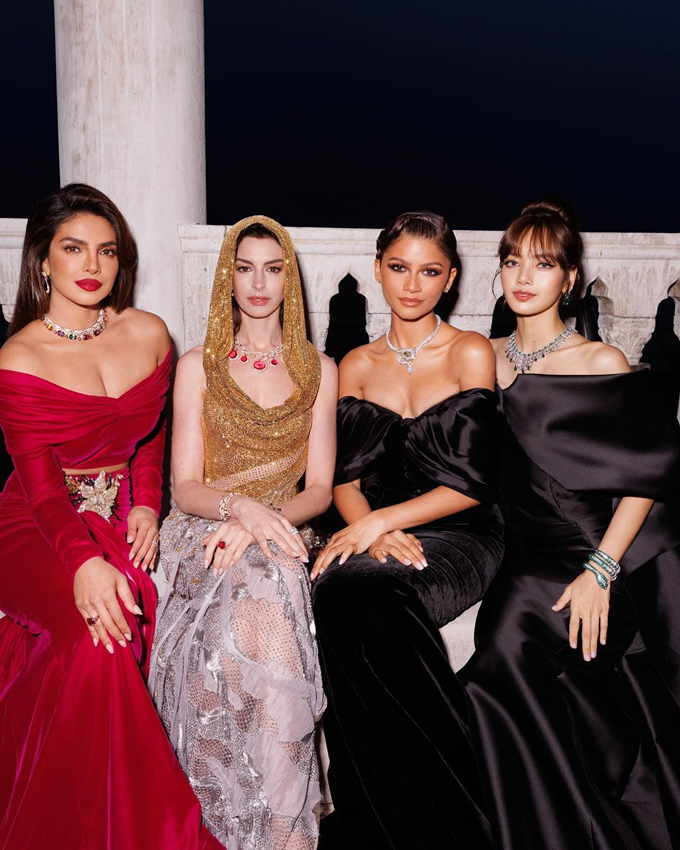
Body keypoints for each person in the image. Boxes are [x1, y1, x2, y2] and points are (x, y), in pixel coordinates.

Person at [0, 184, 222, 848]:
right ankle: (153, 830)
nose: (92, 265)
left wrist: (147, 501)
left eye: (106, 250)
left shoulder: (148, 332)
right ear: (43, 260)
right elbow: (42, 494)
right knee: (103, 635)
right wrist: (84, 565)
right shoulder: (19, 357)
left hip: (121, 511)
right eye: (73, 249)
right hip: (36, 526)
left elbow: (149, 433)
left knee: (108, 632)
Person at [461, 200, 680, 850]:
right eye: (512, 261)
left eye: (543, 263)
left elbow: (646, 478)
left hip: (594, 555)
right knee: (503, 654)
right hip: (518, 557)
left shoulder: (600, 362)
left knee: (504, 657)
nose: (524, 276)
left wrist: (601, 571)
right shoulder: (479, 358)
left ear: (570, 278)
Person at [311, 211, 504, 849]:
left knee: (368, 595)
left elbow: (473, 483)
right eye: (399, 268)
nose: (412, 285)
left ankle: (453, 813)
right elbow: (342, 480)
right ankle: (383, 815)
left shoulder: (470, 350)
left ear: (450, 279)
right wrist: (370, 529)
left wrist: (380, 523)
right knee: (340, 593)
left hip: (463, 528)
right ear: (377, 270)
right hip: (376, 530)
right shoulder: (354, 363)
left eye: (429, 271)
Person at [149, 215, 337, 850]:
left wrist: (264, 522)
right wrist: (242, 512)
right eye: (245, 268)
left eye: (273, 269)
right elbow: (184, 486)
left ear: (290, 280)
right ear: (227, 278)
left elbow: (320, 489)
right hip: (202, 527)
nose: (259, 284)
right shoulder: (198, 366)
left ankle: (281, 827)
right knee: (258, 592)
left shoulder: (319, 369)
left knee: (273, 576)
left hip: (282, 528)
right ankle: (233, 824)